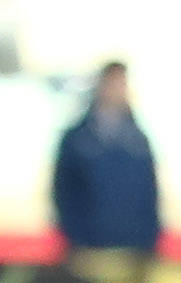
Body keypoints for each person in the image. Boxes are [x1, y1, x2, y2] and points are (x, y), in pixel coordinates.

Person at [48, 59, 163, 267]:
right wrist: (75, 238)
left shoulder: (138, 139)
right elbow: (63, 192)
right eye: (113, 83)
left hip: (135, 249)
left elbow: (150, 192)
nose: (118, 90)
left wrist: (150, 238)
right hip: (88, 249)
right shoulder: (76, 139)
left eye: (122, 83)